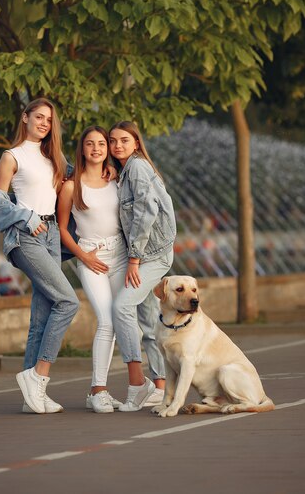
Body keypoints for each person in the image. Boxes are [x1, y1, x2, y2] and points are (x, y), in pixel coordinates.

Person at [0, 98, 80, 415]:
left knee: (40, 319)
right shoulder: (11, 156)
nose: (44, 123)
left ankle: (32, 398)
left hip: (53, 235)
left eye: (49, 120)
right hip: (27, 235)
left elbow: (79, 179)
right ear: (25, 117)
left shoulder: (53, 157)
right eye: (38, 117)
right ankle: (38, 377)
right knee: (69, 301)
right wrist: (27, 218)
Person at [108, 120, 176, 411]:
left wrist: (134, 259)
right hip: (148, 254)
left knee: (122, 307)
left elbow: (146, 212)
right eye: (113, 141)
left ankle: (139, 384)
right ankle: (161, 388)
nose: (117, 145)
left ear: (136, 142)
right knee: (149, 324)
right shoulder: (125, 172)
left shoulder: (137, 167)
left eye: (124, 140)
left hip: (153, 255)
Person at [58, 126, 126, 413]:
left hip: (121, 256)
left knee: (124, 320)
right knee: (107, 321)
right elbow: (61, 228)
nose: (96, 148)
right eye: (90, 144)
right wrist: (83, 256)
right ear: (82, 149)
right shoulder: (71, 185)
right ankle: (98, 390)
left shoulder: (117, 180)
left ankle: (145, 384)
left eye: (101, 143)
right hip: (91, 258)